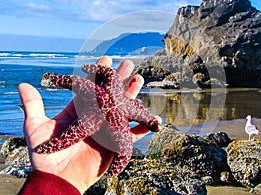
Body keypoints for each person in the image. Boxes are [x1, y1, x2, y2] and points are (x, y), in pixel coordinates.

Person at [17, 56, 159, 195]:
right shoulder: (122, 106)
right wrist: (152, 123)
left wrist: (151, 122)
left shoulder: (100, 96)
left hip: (95, 115)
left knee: (121, 144)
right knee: (124, 144)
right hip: (102, 116)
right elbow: (109, 75)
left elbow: (108, 75)